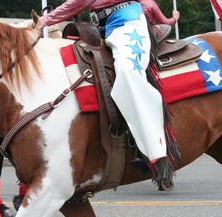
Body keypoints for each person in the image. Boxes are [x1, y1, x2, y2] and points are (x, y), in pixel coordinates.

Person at [36, 0, 179, 187]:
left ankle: (156, 154)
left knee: (128, 74)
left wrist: (45, 20)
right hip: (102, 29)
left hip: (128, 25)